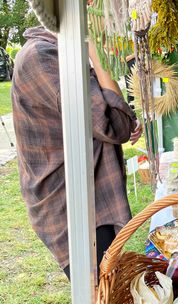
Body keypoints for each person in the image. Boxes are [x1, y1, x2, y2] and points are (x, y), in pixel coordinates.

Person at [11, 26, 142, 279]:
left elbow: (108, 117)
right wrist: (96, 51)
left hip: (87, 191)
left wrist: (123, 120)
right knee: (99, 288)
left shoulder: (61, 51)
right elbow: (113, 124)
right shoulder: (43, 57)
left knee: (108, 284)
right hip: (71, 202)